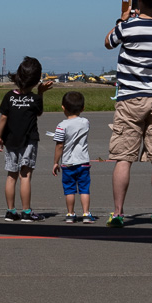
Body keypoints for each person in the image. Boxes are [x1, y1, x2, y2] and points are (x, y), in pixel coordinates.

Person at [104, 0, 152, 228]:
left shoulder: (128, 27)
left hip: (129, 99)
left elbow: (108, 42)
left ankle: (118, 213)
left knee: (124, 158)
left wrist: (123, 19)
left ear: (139, 0)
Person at [0, 56, 52, 222]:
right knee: (25, 175)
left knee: (11, 175)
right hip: (28, 141)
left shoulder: (9, 96)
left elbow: (3, 118)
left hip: (10, 140)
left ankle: (11, 211)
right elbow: (39, 112)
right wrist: (40, 93)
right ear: (35, 80)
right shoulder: (34, 99)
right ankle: (26, 212)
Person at [52, 91, 95, 223]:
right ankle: (86, 213)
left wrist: (55, 162)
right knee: (84, 189)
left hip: (68, 163)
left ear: (63, 107)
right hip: (83, 161)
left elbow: (59, 145)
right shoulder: (85, 122)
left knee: (69, 190)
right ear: (82, 108)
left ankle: (70, 213)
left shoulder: (61, 126)